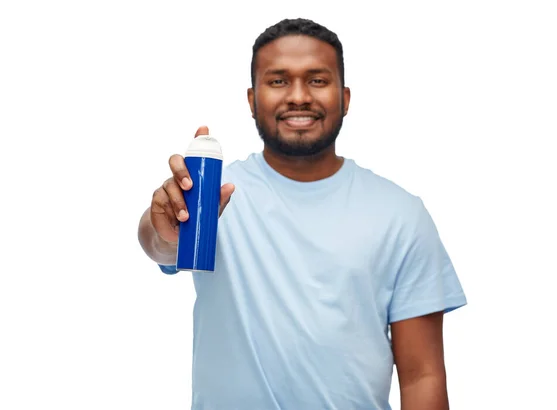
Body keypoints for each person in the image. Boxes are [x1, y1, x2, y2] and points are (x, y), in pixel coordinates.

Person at [138, 17, 467, 410]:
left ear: (345, 98)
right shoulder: (213, 196)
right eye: (278, 81)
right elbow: (159, 245)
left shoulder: (401, 214)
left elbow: (422, 375)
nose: (298, 96)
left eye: (317, 80)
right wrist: (166, 230)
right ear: (251, 99)